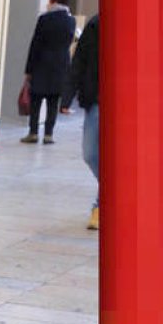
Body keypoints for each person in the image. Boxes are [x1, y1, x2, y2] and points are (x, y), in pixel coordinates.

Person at [21, 0, 76, 144]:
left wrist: (28, 69)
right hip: (60, 66)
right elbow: (69, 42)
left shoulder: (44, 19)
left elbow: (35, 44)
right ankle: (48, 135)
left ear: (53, 1)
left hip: (41, 64)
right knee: (53, 101)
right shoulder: (71, 21)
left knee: (36, 100)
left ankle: (33, 133)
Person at [66, 13, 99, 229]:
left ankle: (100, 206)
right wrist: (68, 95)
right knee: (90, 153)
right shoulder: (97, 23)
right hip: (97, 97)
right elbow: (80, 59)